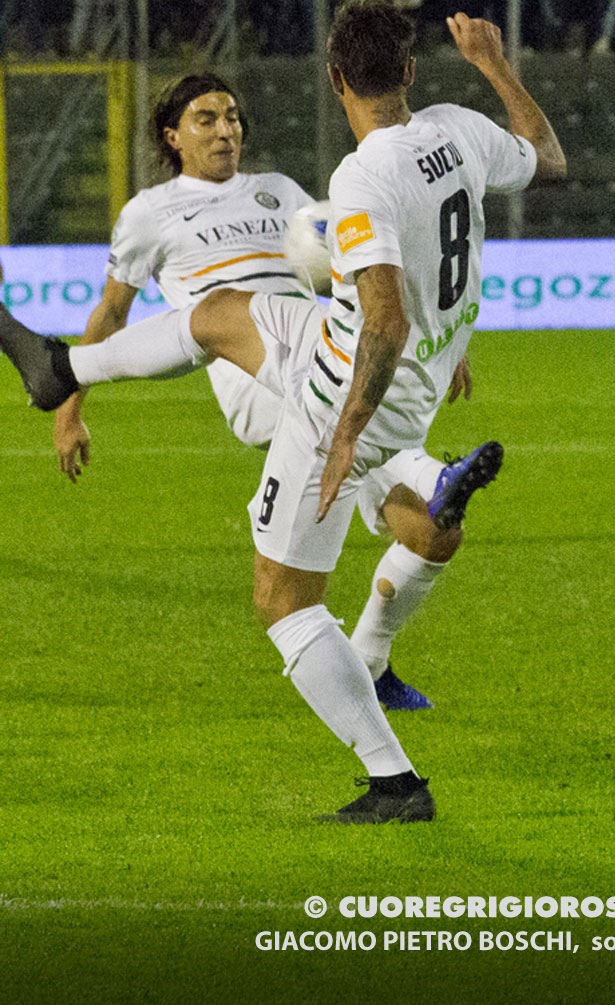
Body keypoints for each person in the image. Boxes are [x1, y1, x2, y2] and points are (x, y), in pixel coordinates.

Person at [0, 70, 505, 715]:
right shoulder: (149, 213)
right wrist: (71, 412)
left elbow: (358, 269)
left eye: (232, 117)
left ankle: (371, 661)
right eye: (207, 119)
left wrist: (429, 338)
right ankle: (434, 474)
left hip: (323, 350)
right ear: (173, 137)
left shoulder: (281, 192)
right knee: (235, 320)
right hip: (248, 367)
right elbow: (112, 312)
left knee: (431, 534)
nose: (225, 130)